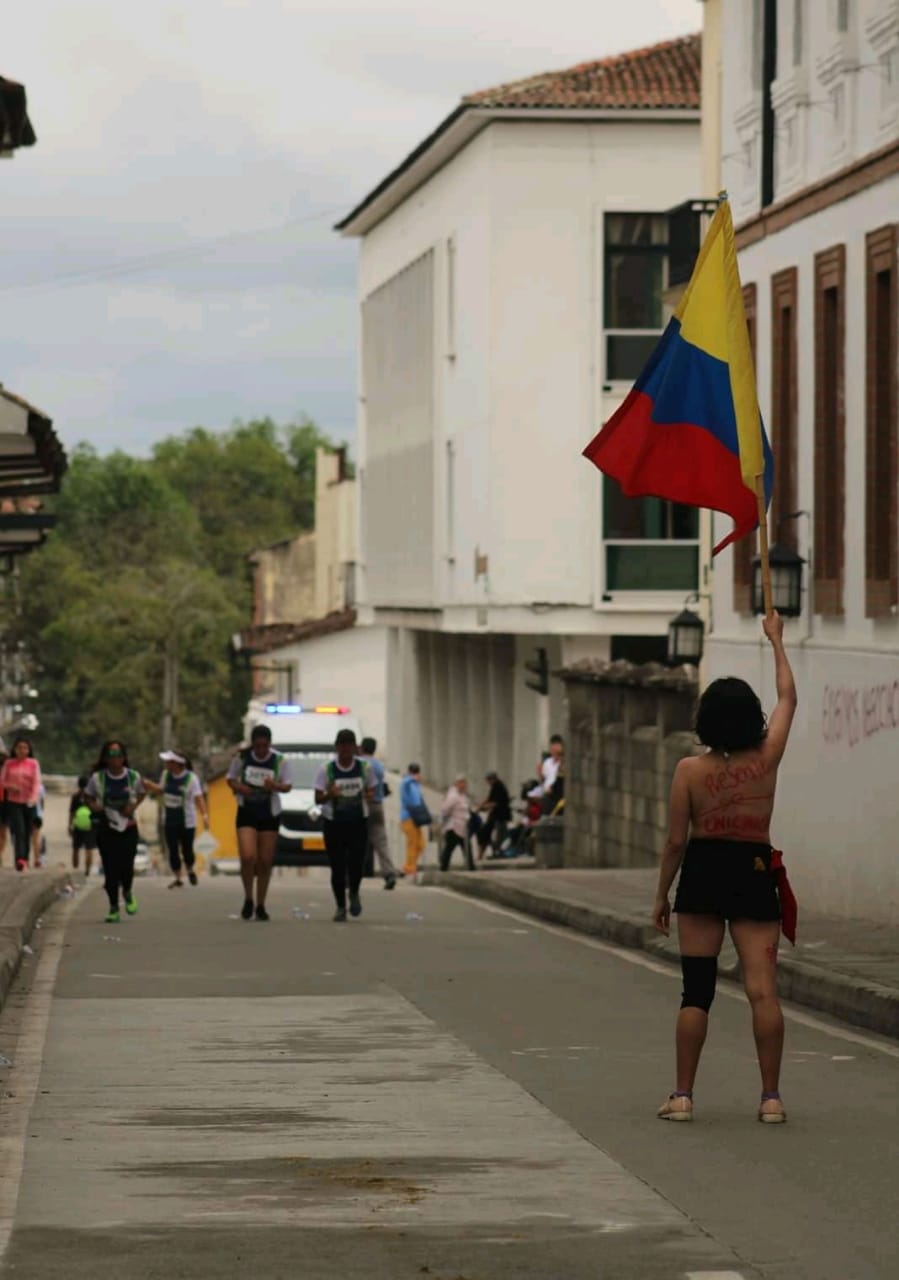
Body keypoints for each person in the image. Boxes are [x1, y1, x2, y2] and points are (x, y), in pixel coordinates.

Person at [652, 611, 797, 1125]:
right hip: (754, 866)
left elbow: (675, 841)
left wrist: (661, 895)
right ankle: (771, 1098)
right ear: (750, 719)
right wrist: (776, 641)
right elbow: (788, 699)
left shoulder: (689, 771)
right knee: (763, 989)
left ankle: (683, 1095)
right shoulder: (768, 756)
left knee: (697, 989)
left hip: (704, 869)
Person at [227, 724, 292, 922]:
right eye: (258, 746)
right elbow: (230, 779)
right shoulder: (243, 757)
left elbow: (288, 786)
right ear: (253, 745)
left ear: (270, 744)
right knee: (248, 856)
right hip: (247, 811)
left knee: (264, 861)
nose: (261, 750)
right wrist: (240, 788)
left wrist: (275, 786)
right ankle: (248, 898)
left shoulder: (280, 760)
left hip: (269, 813)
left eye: (265, 746)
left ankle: (261, 904)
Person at [314, 729, 376, 922]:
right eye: (342, 747)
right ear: (337, 748)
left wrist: (368, 796)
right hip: (334, 823)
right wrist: (330, 794)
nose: (346, 751)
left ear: (355, 748)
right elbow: (317, 798)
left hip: (358, 821)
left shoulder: (364, 768)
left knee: (357, 863)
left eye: (349, 747)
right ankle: (340, 906)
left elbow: (372, 791)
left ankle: (354, 892)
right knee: (337, 866)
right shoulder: (327, 770)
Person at [85, 740, 147, 924]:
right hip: (107, 829)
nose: (115, 759)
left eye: (119, 755)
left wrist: (133, 805)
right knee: (110, 870)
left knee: (126, 867)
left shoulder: (133, 777)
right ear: (105, 758)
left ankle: (127, 892)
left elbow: (142, 792)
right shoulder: (98, 779)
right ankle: (113, 907)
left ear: (124, 757)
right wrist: (95, 807)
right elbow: (88, 796)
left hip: (128, 828)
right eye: (111, 755)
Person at [143, 750, 209, 889]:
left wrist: (204, 815)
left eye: (169, 762)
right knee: (172, 849)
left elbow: (199, 798)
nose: (166, 764)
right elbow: (161, 790)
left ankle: (190, 869)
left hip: (187, 821)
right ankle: (178, 877)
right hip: (169, 819)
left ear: (177, 764)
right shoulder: (166, 775)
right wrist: (149, 785)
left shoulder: (191, 778)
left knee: (187, 850)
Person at [359, 736, 398, 889]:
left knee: (356, 841)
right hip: (377, 805)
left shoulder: (360, 764)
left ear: (361, 748)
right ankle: (389, 873)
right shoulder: (379, 765)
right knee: (381, 842)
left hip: (362, 805)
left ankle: (352, 874)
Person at [0, 735, 42, 872]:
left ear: (29, 750)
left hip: (29, 802)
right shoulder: (9, 763)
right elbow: (2, 781)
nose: (22, 750)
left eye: (25, 748)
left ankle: (25, 858)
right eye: (19, 747)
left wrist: (33, 798)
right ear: (15, 749)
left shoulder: (33, 764)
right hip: (14, 802)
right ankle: (20, 859)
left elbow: (36, 783)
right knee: (19, 831)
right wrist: (10, 786)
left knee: (27, 832)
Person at [399, 763, 429, 877]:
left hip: (416, 818)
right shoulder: (406, 782)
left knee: (420, 844)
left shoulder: (416, 785)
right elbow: (405, 783)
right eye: (414, 772)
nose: (416, 774)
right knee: (412, 843)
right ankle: (410, 868)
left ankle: (409, 866)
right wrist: (411, 778)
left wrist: (415, 780)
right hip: (407, 817)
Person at [439, 773, 474, 871]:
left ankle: (470, 867)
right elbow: (445, 809)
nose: (465, 785)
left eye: (465, 783)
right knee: (450, 848)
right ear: (457, 784)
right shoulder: (453, 796)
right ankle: (443, 867)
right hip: (454, 827)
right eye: (462, 783)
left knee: (466, 848)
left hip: (462, 826)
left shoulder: (462, 795)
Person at [476, 770, 512, 860]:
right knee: (486, 832)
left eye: (488, 780)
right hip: (495, 815)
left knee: (498, 835)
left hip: (500, 816)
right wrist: (481, 806)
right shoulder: (495, 786)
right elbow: (489, 798)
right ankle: (484, 853)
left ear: (492, 779)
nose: (488, 782)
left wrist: (483, 807)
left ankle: (497, 851)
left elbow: (495, 803)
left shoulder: (499, 787)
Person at [69, 774, 98, 877]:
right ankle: (87, 871)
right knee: (89, 850)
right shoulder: (92, 797)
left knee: (76, 849)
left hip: (78, 826)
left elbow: (72, 813)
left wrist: (70, 826)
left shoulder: (75, 797)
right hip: (90, 826)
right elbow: (96, 811)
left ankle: (75, 869)